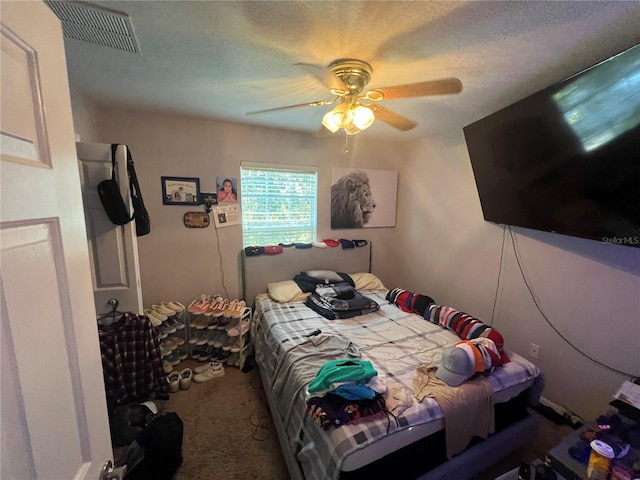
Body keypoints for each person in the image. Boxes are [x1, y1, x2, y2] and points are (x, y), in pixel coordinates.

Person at [116, 401, 183, 480]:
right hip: (172, 469)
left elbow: (131, 453)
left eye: (138, 415)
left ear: (148, 416)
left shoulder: (148, 431)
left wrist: (120, 469)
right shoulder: (173, 421)